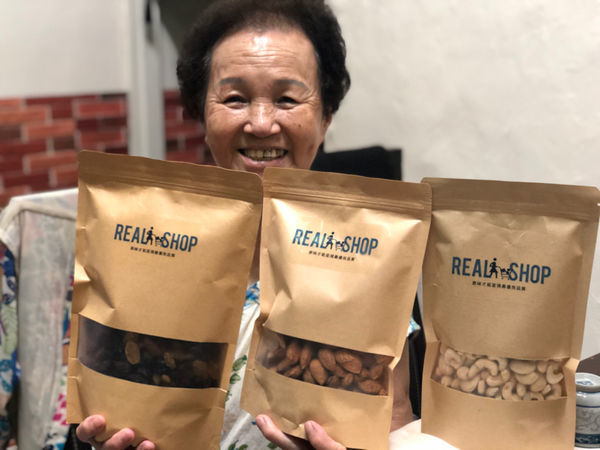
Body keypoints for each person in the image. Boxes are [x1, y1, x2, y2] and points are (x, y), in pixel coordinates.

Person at [76, 0, 415, 448]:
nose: (260, 124)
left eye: (287, 99)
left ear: (326, 117)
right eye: (235, 99)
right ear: (202, 114)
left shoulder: (373, 263)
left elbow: (397, 425)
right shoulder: (142, 250)